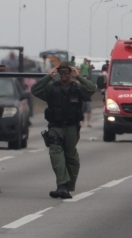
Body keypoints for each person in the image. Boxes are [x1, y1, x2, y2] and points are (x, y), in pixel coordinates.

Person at [31, 61, 95, 199]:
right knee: (56, 154)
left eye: (67, 72)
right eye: (62, 72)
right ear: (58, 73)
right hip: (55, 127)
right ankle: (61, 185)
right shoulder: (51, 88)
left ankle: (68, 186)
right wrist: (49, 76)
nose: (64, 75)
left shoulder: (77, 88)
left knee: (71, 158)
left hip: (72, 128)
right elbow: (35, 90)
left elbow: (91, 89)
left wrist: (78, 77)